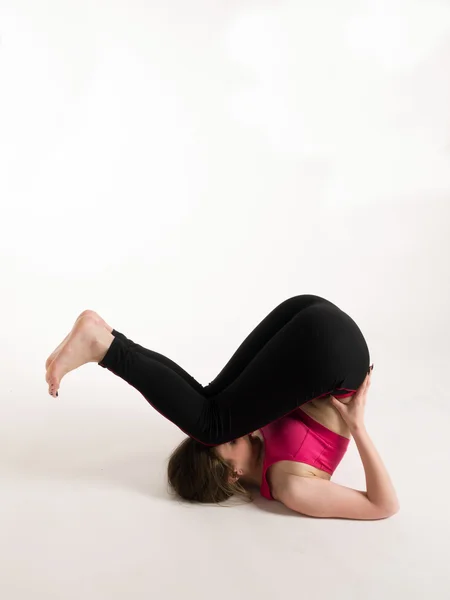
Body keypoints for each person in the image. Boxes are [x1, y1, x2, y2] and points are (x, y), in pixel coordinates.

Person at [45, 294, 399, 520]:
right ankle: (103, 343)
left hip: (311, 324)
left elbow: (196, 406)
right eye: (231, 444)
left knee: (209, 405)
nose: (240, 433)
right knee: (212, 423)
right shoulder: (292, 489)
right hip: (333, 352)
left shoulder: (255, 436)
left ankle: (107, 340)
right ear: (231, 474)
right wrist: (358, 428)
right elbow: (383, 506)